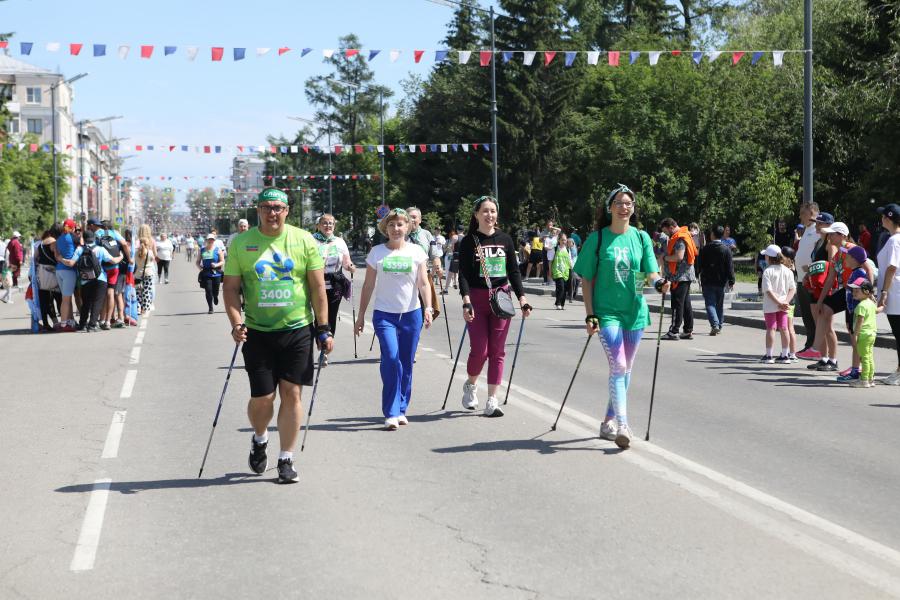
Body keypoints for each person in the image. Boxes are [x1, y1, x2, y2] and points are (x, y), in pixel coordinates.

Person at [223, 188, 332, 484]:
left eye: (278, 208)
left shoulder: (304, 240)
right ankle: (260, 438)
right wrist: (236, 323)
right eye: (266, 207)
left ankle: (286, 458)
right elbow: (230, 288)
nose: (272, 213)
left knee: (292, 393)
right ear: (258, 210)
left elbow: (317, 288)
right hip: (257, 331)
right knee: (263, 398)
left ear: (287, 211)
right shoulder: (241, 243)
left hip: (297, 328)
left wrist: (323, 328)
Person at [574, 184, 669, 449]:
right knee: (618, 365)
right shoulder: (598, 239)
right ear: (610, 208)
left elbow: (650, 272)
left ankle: (608, 421)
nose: (624, 207)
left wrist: (659, 282)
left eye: (628, 203)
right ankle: (623, 425)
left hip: (634, 312)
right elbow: (586, 279)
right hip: (607, 313)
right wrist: (590, 315)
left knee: (626, 369)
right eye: (619, 203)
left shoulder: (641, 237)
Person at [354, 208, 433, 430]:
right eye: (391, 225)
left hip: (411, 314)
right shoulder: (377, 253)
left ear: (407, 227)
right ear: (385, 228)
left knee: (406, 362)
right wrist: (361, 316)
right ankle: (390, 411)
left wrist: (428, 308)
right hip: (384, 315)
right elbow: (368, 285)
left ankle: (401, 408)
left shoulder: (417, 251)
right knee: (390, 357)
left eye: (400, 224)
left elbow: (423, 283)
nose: (396, 229)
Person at [458, 196, 532, 417]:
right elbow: (463, 274)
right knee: (480, 351)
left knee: (498, 351)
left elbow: (514, 271)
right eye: (485, 211)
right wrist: (466, 301)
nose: (489, 215)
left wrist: (522, 298)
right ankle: (471, 384)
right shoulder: (468, 241)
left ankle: (492, 399)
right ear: (476, 214)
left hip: (502, 299)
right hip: (477, 300)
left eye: (493, 211)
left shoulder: (505, 239)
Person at [811, 222, 874, 372]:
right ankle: (815, 347)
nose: (829, 236)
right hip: (847, 291)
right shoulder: (838, 253)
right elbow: (830, 278)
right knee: (825, 308)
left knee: (854, 332)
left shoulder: (852, 249)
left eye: (832, 234)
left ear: (842, 235)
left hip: (857, 293)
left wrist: (869, 292)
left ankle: (858, 368)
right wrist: (820, 301)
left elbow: (869, 270)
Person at [67, 229, 122, 332]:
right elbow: (113, 261)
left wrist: (60, 258)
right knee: (97, 302)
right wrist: (121, 256)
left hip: (85, 279)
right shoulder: (100, 249)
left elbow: (71, 263)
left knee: (86, 303)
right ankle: (92, 325)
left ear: (84, 239)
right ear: (93, 239)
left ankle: (82, 324)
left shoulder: (80, 249)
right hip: (100, 278)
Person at [313, 213, 355, 345]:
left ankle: (327, 346)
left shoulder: (339, 242)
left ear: (334, 226)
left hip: (335, 283)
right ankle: (320, 341)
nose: (328, 225)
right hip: (317, 283)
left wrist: (350, 266)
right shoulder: (311, 240)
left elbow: (346, 262)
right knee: (319, 316)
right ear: (318, 225)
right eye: (325, 223)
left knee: (332, 315)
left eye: (331, 223)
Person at [660, 218, 698, 340]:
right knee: (685, 304)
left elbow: (679, 257)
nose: (666, 234)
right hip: (685, 275)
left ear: (671, 227)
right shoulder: (684, 234)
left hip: (680, 276)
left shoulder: (679, 238)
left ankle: (674, 331)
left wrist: (665, 258)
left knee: (677, 304)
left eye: (666, 231)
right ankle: (687, 330)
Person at [875, 203, 900, 385]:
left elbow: (891, 267)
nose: (881, 219)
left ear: (888, 218)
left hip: (895, 294)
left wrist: (884, 292)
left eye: (883, 216)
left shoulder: (894, 241)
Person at [758, 245, 796, 364]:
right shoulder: (787, 271)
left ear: (769, 257)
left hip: (771, 304)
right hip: (784, 304)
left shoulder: (768, 271)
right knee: (784, 328)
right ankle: (785, 355)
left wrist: (778, 302)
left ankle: (769, 355)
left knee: (771, 328)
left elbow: (768, 291)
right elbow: (792, 289)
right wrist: (785, 302)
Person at [794, 203, 822, 356]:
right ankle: (810, 344)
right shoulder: (807, 230)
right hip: (801, 279)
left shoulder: (818, 231)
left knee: (813, 316)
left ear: (812, 213)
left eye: (802, 213)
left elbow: (821, 256)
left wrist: (810, 270)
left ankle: (817, 347)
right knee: (806, 316)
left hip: (811, 280)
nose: (800, 217)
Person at [698, 225, 735, 335]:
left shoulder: (705, 248)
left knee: (710, 303)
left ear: (713, 235)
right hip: (721, 281)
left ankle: (715, 325)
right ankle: (719, 325)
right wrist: (731, 280)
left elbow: (700, 264)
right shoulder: (726, 249)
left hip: (707, 280)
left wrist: (697, 274)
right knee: (719, 304)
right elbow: (730, 266)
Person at [846, 278, 878, 388]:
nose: (853, 293)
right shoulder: (871, 304)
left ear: (866, 292)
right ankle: (871, 379)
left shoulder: (861, 306)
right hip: (872, 334)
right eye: (853, 290)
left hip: (863, 335)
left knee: (864, 358)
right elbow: (877, 310)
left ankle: (864, 380)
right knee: (869, 357)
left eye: (857, 291)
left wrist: (855, 335)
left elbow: (860, 321)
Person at [52, 221, 79, 329]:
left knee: (65, 298)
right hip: (69, 270)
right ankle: (64, 324)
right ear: (72, 228)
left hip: (59, 270)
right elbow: (82, 244)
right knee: (66, 299)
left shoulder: (59, 239)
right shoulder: (73, 237)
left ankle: (69, 320)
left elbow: (56, 255)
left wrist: (61, 259)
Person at [35, 225, 62, 331]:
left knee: (44, 300)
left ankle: (46, 323)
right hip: (53, 272)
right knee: (59, 298)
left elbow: (35, 258)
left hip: (42, 274)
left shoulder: (40, 244)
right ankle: (63, 322)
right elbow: (56, 256)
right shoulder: (54, 242)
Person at [197, 234, 224, 314]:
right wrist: (200, 268)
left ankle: (215, 296)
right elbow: (197, 262)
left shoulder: (218, 250)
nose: (210, 241)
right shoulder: (202, 250)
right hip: (206, 273)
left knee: (216, 290)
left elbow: (222, 261)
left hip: (217, 273)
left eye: (212, 239)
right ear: (206, 240)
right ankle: (210, 308)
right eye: (209, 239)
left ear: (214, 241)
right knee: (208, 290)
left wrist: (216, 265)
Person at [135, 228, 156, 314]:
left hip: (137, 273)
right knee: (146, 290)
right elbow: (153, 259)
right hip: (148, 273)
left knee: (138, 291)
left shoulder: (136, 252)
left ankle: (138, 308)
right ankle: (145, 308)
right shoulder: (149, 252)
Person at [551, 232, 572, 309]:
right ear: (559, 240)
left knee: (565, 288)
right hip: (557, 271)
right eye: (562, 240)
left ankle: (562, 304)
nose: (564, 241)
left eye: (565, 240)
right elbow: (550, 261)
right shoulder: (555, 249)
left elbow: (570, 261)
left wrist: (572, 269)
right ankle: (558, 303)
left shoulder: (567, 250)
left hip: (566, 271)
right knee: (561, 287)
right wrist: (550, 271)